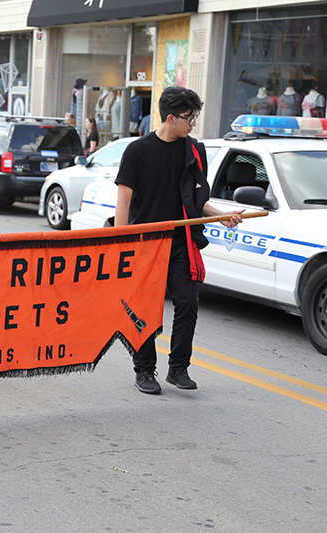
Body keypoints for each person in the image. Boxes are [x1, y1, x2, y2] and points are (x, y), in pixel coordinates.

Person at [114, 86, 244, 395]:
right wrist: (120, 244)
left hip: (181, 241)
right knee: (145, 309)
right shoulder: (137, 151)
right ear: (170, 118)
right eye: (189, 117)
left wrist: (219, 215)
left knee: (188, 303)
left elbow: (195, 199)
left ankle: (178, 367)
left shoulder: (194, 150)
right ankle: (144, 370)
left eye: (195, 116)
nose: (193, 123)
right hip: (145, 242)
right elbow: (123, 202)